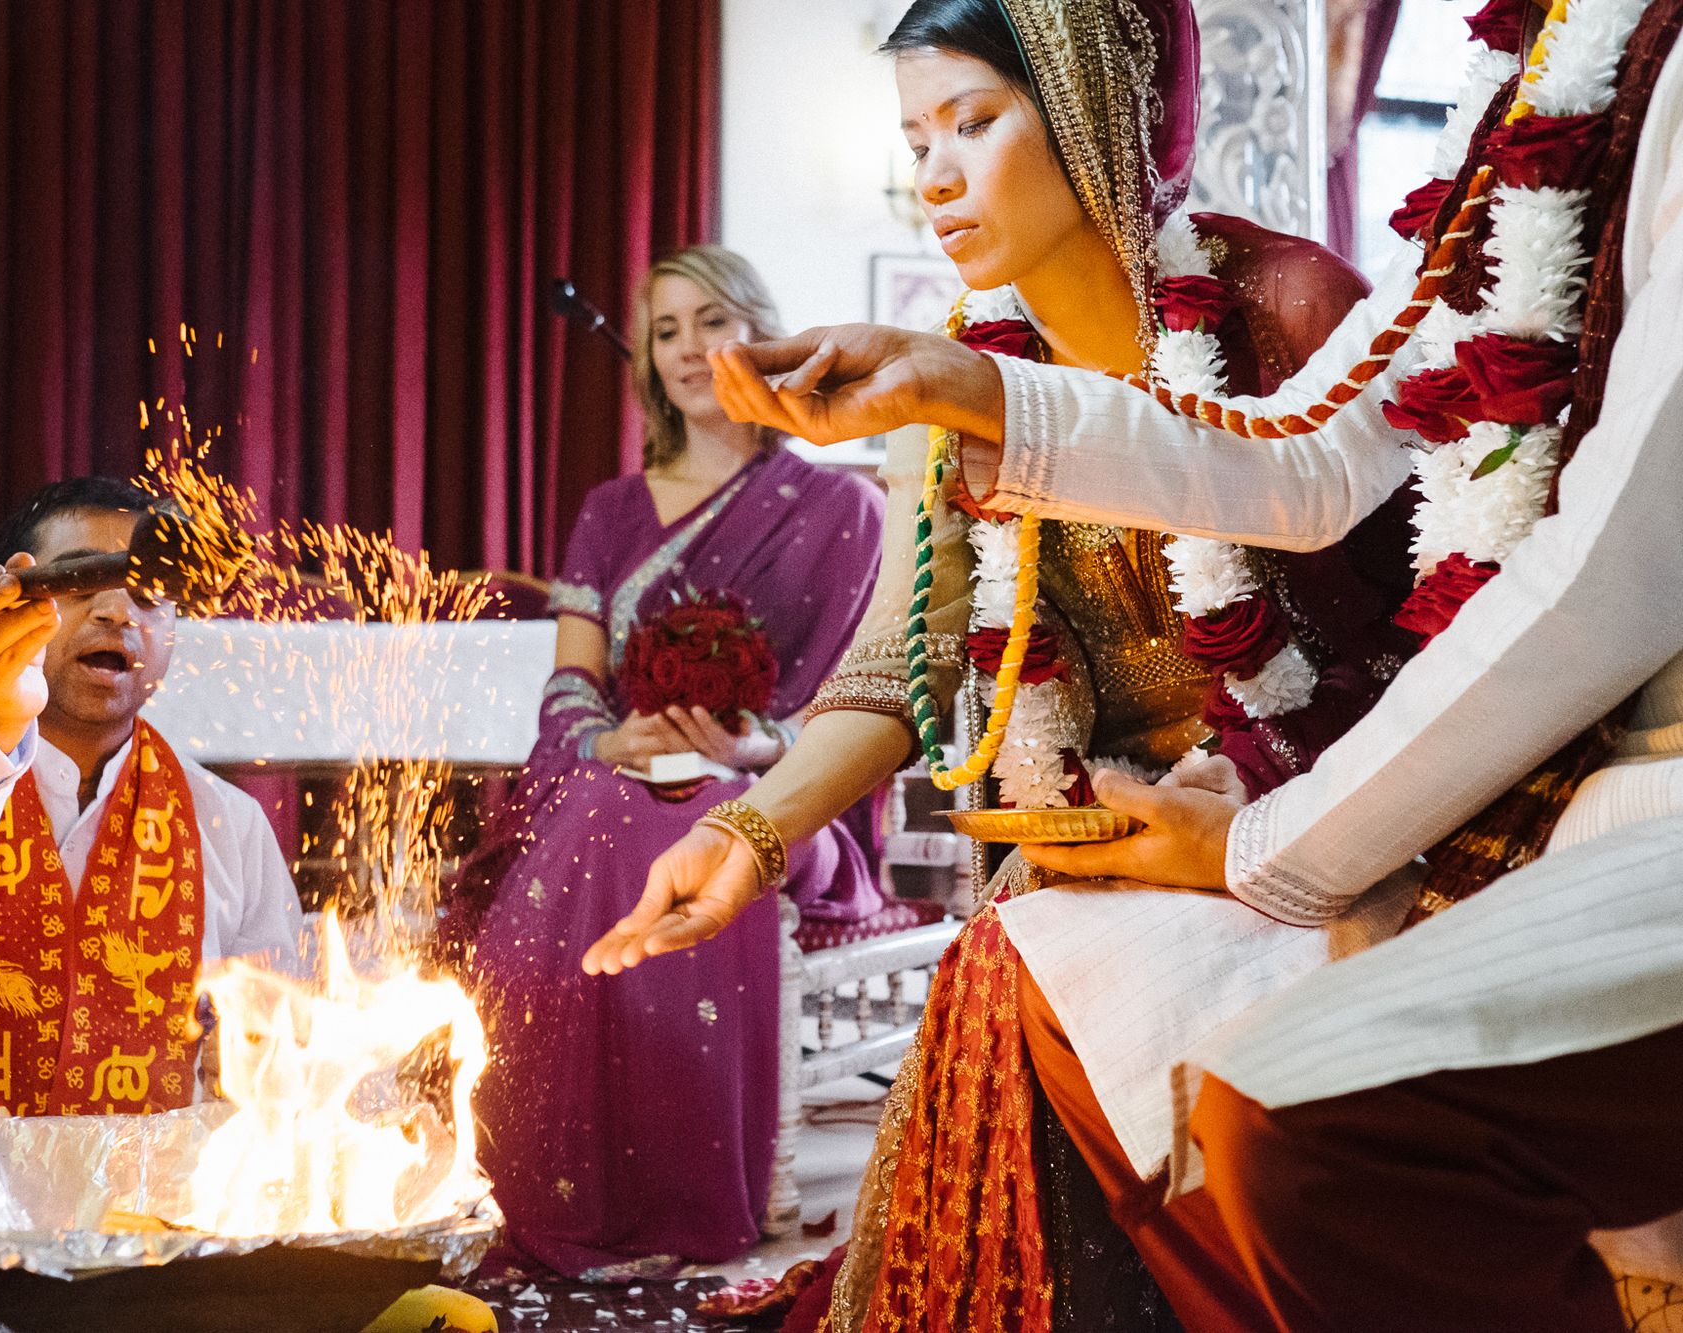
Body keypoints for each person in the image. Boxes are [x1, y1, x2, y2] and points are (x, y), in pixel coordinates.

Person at [623, 0, 1683, 1323]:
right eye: (914, 138)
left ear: (1087, 109)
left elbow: (1488, 599)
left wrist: (1258, 835)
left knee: (1188, 1059)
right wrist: (750, 831)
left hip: (1374, 815)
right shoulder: (965, 373)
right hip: (1139, 846)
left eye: (972, 123)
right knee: (1005, 956)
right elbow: (904, 658)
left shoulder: (1283, 297)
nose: (933, 172)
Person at [462, 245, 887, 1280]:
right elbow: (568, 688)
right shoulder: (609, 511)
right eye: (664, 332)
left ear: (760, 331)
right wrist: (609, 739)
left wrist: (760, 748)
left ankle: (669, 1195)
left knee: (682, 818)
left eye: (711, 320)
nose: (690, 349)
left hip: (782, 799)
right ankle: (552, 1184)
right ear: (646, 365)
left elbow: (861, 707)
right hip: (608, 780)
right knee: (617, 805)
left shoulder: (843, 509)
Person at [0, 477, 302, 1122]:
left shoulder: (225, 821)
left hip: (144, 1211)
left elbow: (278, 1034)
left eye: (151, 594)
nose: (120, 612)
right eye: (77, 582)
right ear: (6, 598)